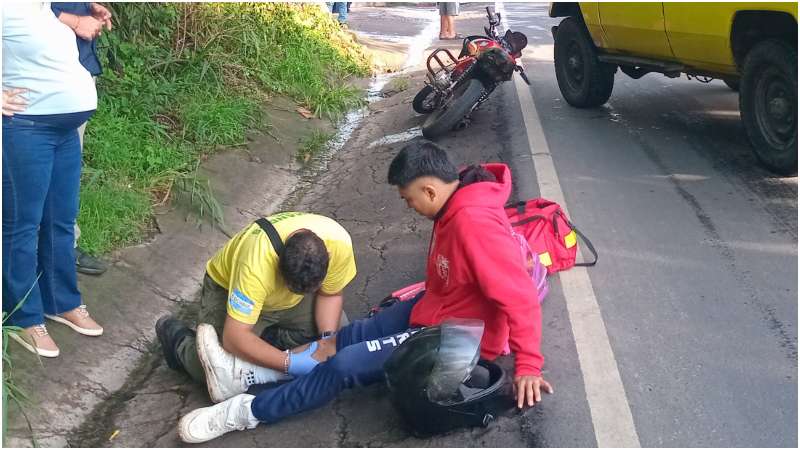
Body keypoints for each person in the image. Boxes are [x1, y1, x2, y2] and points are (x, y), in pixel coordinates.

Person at [175, 141, 552, 443]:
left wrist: (529, 365)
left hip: (459, 336)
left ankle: (246, 411)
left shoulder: (473, 223)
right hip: (438, 306)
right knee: (347, 336)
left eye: (409, 199)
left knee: (344, 365)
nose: (410, 207)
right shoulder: (454, 205)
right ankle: (254, 375)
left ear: (429, 188)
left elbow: (518, 294)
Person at [2, 2, 104, 358]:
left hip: (63, 130)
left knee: (60, 219)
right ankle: (22, 316)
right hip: (28, 130)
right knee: (21, 226)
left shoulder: (45, 7)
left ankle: (60, 301)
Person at [155, 212, 356, 386]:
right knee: (214, 371)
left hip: (287, 301)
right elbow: (233, 338)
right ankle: (177, 339)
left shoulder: (338, 243)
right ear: (278, 265)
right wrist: (288, 364)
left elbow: (329, 295)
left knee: (340, 334)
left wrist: (327, 340)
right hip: (229, 290)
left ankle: (263, 341)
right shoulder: (255, 264)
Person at [51, 2, 113, 276]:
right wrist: (74, 21)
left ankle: (62, 249)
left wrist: (86, 6)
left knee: (66, 171)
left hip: (75, 71)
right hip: (41, 77)